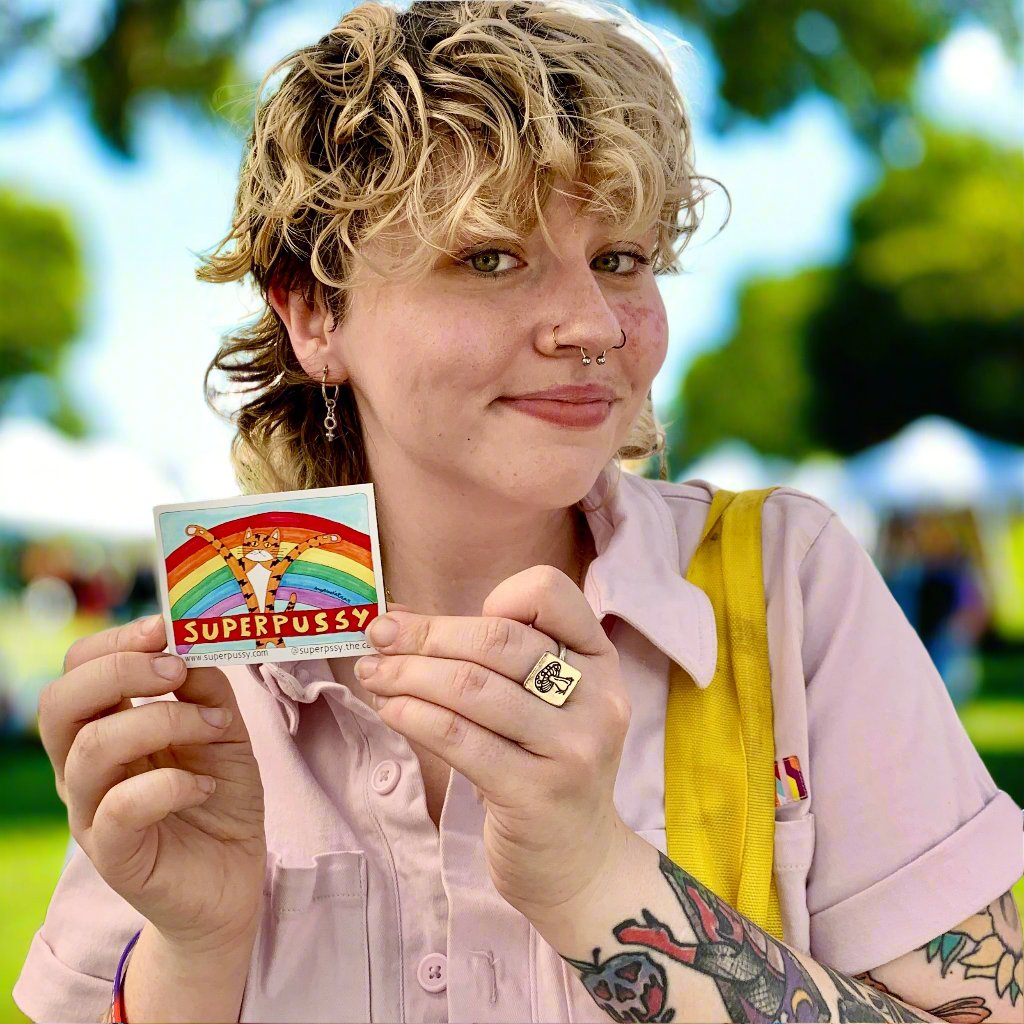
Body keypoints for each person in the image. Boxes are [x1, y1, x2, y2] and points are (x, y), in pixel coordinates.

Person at [14, 2, 1023, 1022]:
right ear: (313, 312)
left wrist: (598, 882)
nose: (590, 324)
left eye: (622, 257)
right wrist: (196, 951)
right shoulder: (201, 695)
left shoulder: (788, 586)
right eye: (490, 257)